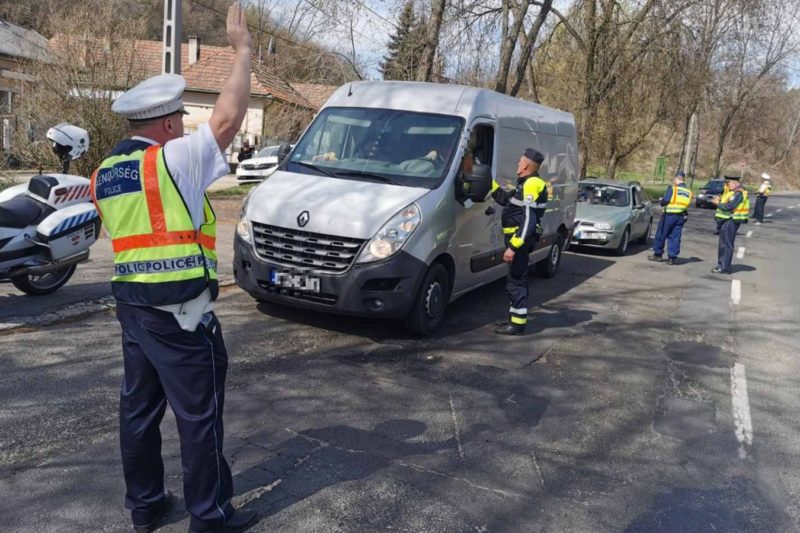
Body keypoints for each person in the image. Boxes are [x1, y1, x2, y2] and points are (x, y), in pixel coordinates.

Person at [89, 4, 257, 532]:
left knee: (138, 413)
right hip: (182, 313)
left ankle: (145, 506)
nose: (186, 127)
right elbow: (227, 119)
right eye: (181, 120)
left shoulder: (107, 171)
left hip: (134, 308)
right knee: (197, 415)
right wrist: (243, 50)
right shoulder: (170, 160)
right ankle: (208, 516)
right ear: (165, 122)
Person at [491, 148, 548, 335]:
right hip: (516, 240)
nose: (517, 164)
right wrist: (487, 182)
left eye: (519, 161)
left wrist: (514, 247)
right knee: (513, 280)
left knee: (516, 281)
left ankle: (517, 325)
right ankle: (513, 318)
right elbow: (506, 200)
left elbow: (528, 220)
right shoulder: (524, 183)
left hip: (520, 242)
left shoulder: (532, 184)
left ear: (525, 165)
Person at [648, 171, 692, 265]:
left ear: (676, 179)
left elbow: (666, 200)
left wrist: (662, 201)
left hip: (669, 216)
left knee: (661, 234)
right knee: (675, 237)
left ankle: (658, 254)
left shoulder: (673, 189)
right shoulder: (688, 191)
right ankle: (671, 258)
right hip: (680, 217)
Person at [711, 176, 749, 274]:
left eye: (729, 183)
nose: (728, 185)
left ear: (735, 183)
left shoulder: (738, 193)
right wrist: (720, 199)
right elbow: (728, 202)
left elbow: (729, 206)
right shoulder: (735, 193)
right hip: (730, 220)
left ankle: (723, 267)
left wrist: (717, 204)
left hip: (730, 220)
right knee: (725, 244)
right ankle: (723, 265)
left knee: (725, 245)